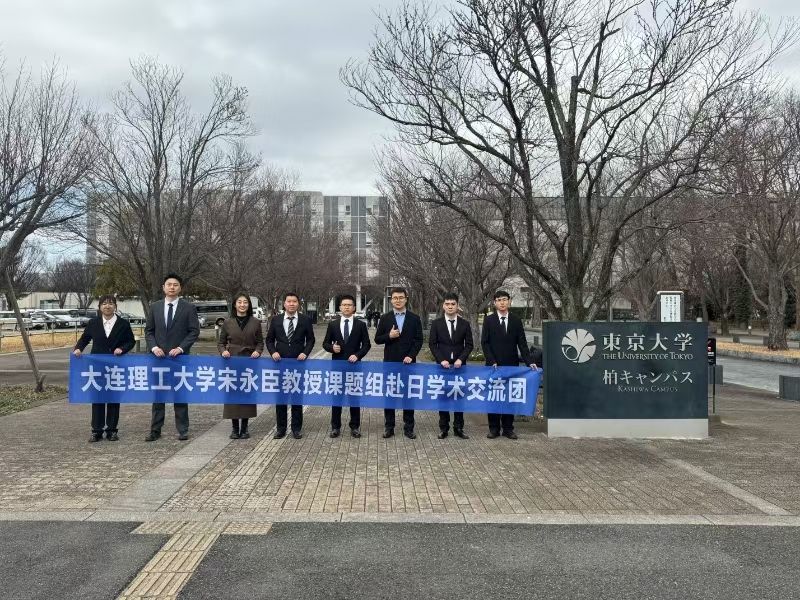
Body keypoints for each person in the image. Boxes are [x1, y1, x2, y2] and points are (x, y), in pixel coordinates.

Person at [144, 273, 200, 442]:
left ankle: (183, 429)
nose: (172, 287)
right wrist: (154, 347)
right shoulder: (155, 307)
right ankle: (155, 430)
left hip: (179, 359)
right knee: (158, 397)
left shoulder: (188, 308)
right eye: (169, 284)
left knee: (180, 395)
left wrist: (181, 348)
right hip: (158, 359)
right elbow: (149, 331)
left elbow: (194, 331)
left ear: (180, 288)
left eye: (175, 285)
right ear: (163, 287)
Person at [72, 295, 136, 443]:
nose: (107, 306)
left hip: (116, 366)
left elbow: (130, 341)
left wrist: (122, 349)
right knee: (97, 398)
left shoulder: (123, 324)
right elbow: (84, 338)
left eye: (111, 303)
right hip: (97, 367)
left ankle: (112, 430)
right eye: (104, 304)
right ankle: (96, 430)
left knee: (114, 398)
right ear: (100, 307)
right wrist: (78, 349)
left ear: (115, 307)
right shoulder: (93, 323)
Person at [481, 290, 538, 439]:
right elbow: (485, 343)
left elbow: (522, 344)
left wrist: (530, 362)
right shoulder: (489, 320)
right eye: (499, 300)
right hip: (493, 366)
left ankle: (508, 428)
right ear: (494, 303)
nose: (502, 302)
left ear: (509, 301)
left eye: (505, 299)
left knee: (509, 397)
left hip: (511, 366)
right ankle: (494, 429)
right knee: (493, 397)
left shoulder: (516, 320)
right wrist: (491, 360)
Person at [374, 287, 423, 439]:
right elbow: (377, 339)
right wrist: (389, 336)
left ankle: (409, 428)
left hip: (409, 364)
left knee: (408, 397)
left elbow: (418, 340)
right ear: (391, 300)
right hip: (390, 363)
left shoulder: (414, 318)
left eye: (401, 297)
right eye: (395, 298)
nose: (398, 300)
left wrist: (411, 355)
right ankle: (389, 427)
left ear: (406, 299)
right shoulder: (385, 318)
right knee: (390, 397)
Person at [266, 292, 315, 439]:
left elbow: (311, 340)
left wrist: (305, 353)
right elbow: (269, 340)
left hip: (298, 364)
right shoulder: (276, 320)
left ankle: (296, 428)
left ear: (298, 304)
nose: (291, 304)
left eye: (294, 301)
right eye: (289, 301)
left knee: (296, 397)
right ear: (284, 303)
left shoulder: (305, 320)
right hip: (280, 364)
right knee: (281, 398)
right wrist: (273, 352)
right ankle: (281, 429)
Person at [322, 294, 371, 438]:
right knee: (336, 398)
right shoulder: (333, 325)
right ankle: (335, 427)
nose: (347, 307)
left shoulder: (360, 325)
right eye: (344, 305)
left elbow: (367, 345)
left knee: (354, 399)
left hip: (355, 367)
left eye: (349, 305)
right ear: (340, 307)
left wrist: (358, 355)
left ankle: (355, 427)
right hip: (337, 367)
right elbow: (325, 343)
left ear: (354, 308)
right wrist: (332, 348)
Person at [218, 293, 263, 440]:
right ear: (235, 304)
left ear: (249, 305)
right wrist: (223, 351)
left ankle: (244, 427)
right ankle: (234, 428)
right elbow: (221, 342)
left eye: (245, 302)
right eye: (239, 302)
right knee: (232, 394)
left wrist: (257, 351)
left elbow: (260, 342)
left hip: (249, 362)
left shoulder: (255, 322)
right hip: (232, 361)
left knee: (246, 393)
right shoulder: (227, 322)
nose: (242, 305)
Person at [429, 293, 474, 439]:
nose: (450, 306)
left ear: (457, 306)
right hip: (442, 367)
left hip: (460, 367)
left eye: (453, 304)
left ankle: (459, 428)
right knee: (443, 398)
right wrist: (441, 359)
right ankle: (444, 428)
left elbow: (469, 345)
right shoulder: (436, 324)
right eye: (447, 304)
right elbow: (432, 344)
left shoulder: (465, 324)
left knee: (459, 397)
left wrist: (461, 359)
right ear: (443, 306)